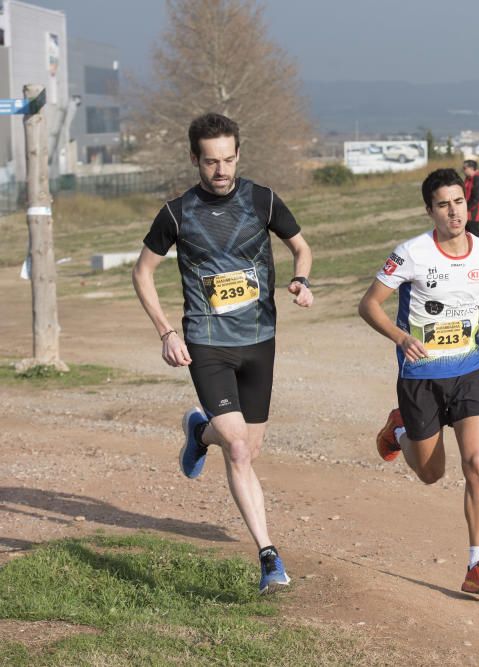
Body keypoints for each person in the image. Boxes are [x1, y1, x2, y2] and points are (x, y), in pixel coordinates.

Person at [131, 112, 314, 594]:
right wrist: (167, 332)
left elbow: (302, 247)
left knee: (248, 448)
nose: (221, 171)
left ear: (238, 155)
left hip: (259, 340)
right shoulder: (177, 213)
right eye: (211, 162)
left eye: (229, 159)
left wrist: (302, 279)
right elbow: (142, 273)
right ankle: (269, 557)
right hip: (207, 342)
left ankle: (199, 431)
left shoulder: (262, 199)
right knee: (238, 448)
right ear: (195, 159)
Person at [358, 168, 479, 597]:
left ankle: (476, 565)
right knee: (431, 473)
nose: (453, 212)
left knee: (477, 465)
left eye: (458, 202)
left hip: (468, 372)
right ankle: (400, 428)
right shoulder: (411, 253)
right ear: (430, 210)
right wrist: (401, 337)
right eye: (443, 205)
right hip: (420, 378)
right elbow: (369, 304)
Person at [462, 159, 479, 238]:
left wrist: (466, 208)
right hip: (466, 214)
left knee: (476, 237)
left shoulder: (477, 179)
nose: (463, 170)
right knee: (467, 237)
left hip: (473, 214)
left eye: (465, 168)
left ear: (471, 168)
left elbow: (476, 198)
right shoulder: (467, 179)